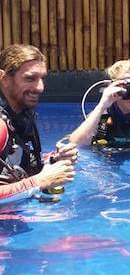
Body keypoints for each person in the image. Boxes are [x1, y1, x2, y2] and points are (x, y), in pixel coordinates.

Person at [0, 44, 77, 203]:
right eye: (30, 78)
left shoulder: (22, 115)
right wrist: (39, 181)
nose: (40, 88)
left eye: (42, 78)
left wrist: (53, 161)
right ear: (4, 79)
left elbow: (20, 164)